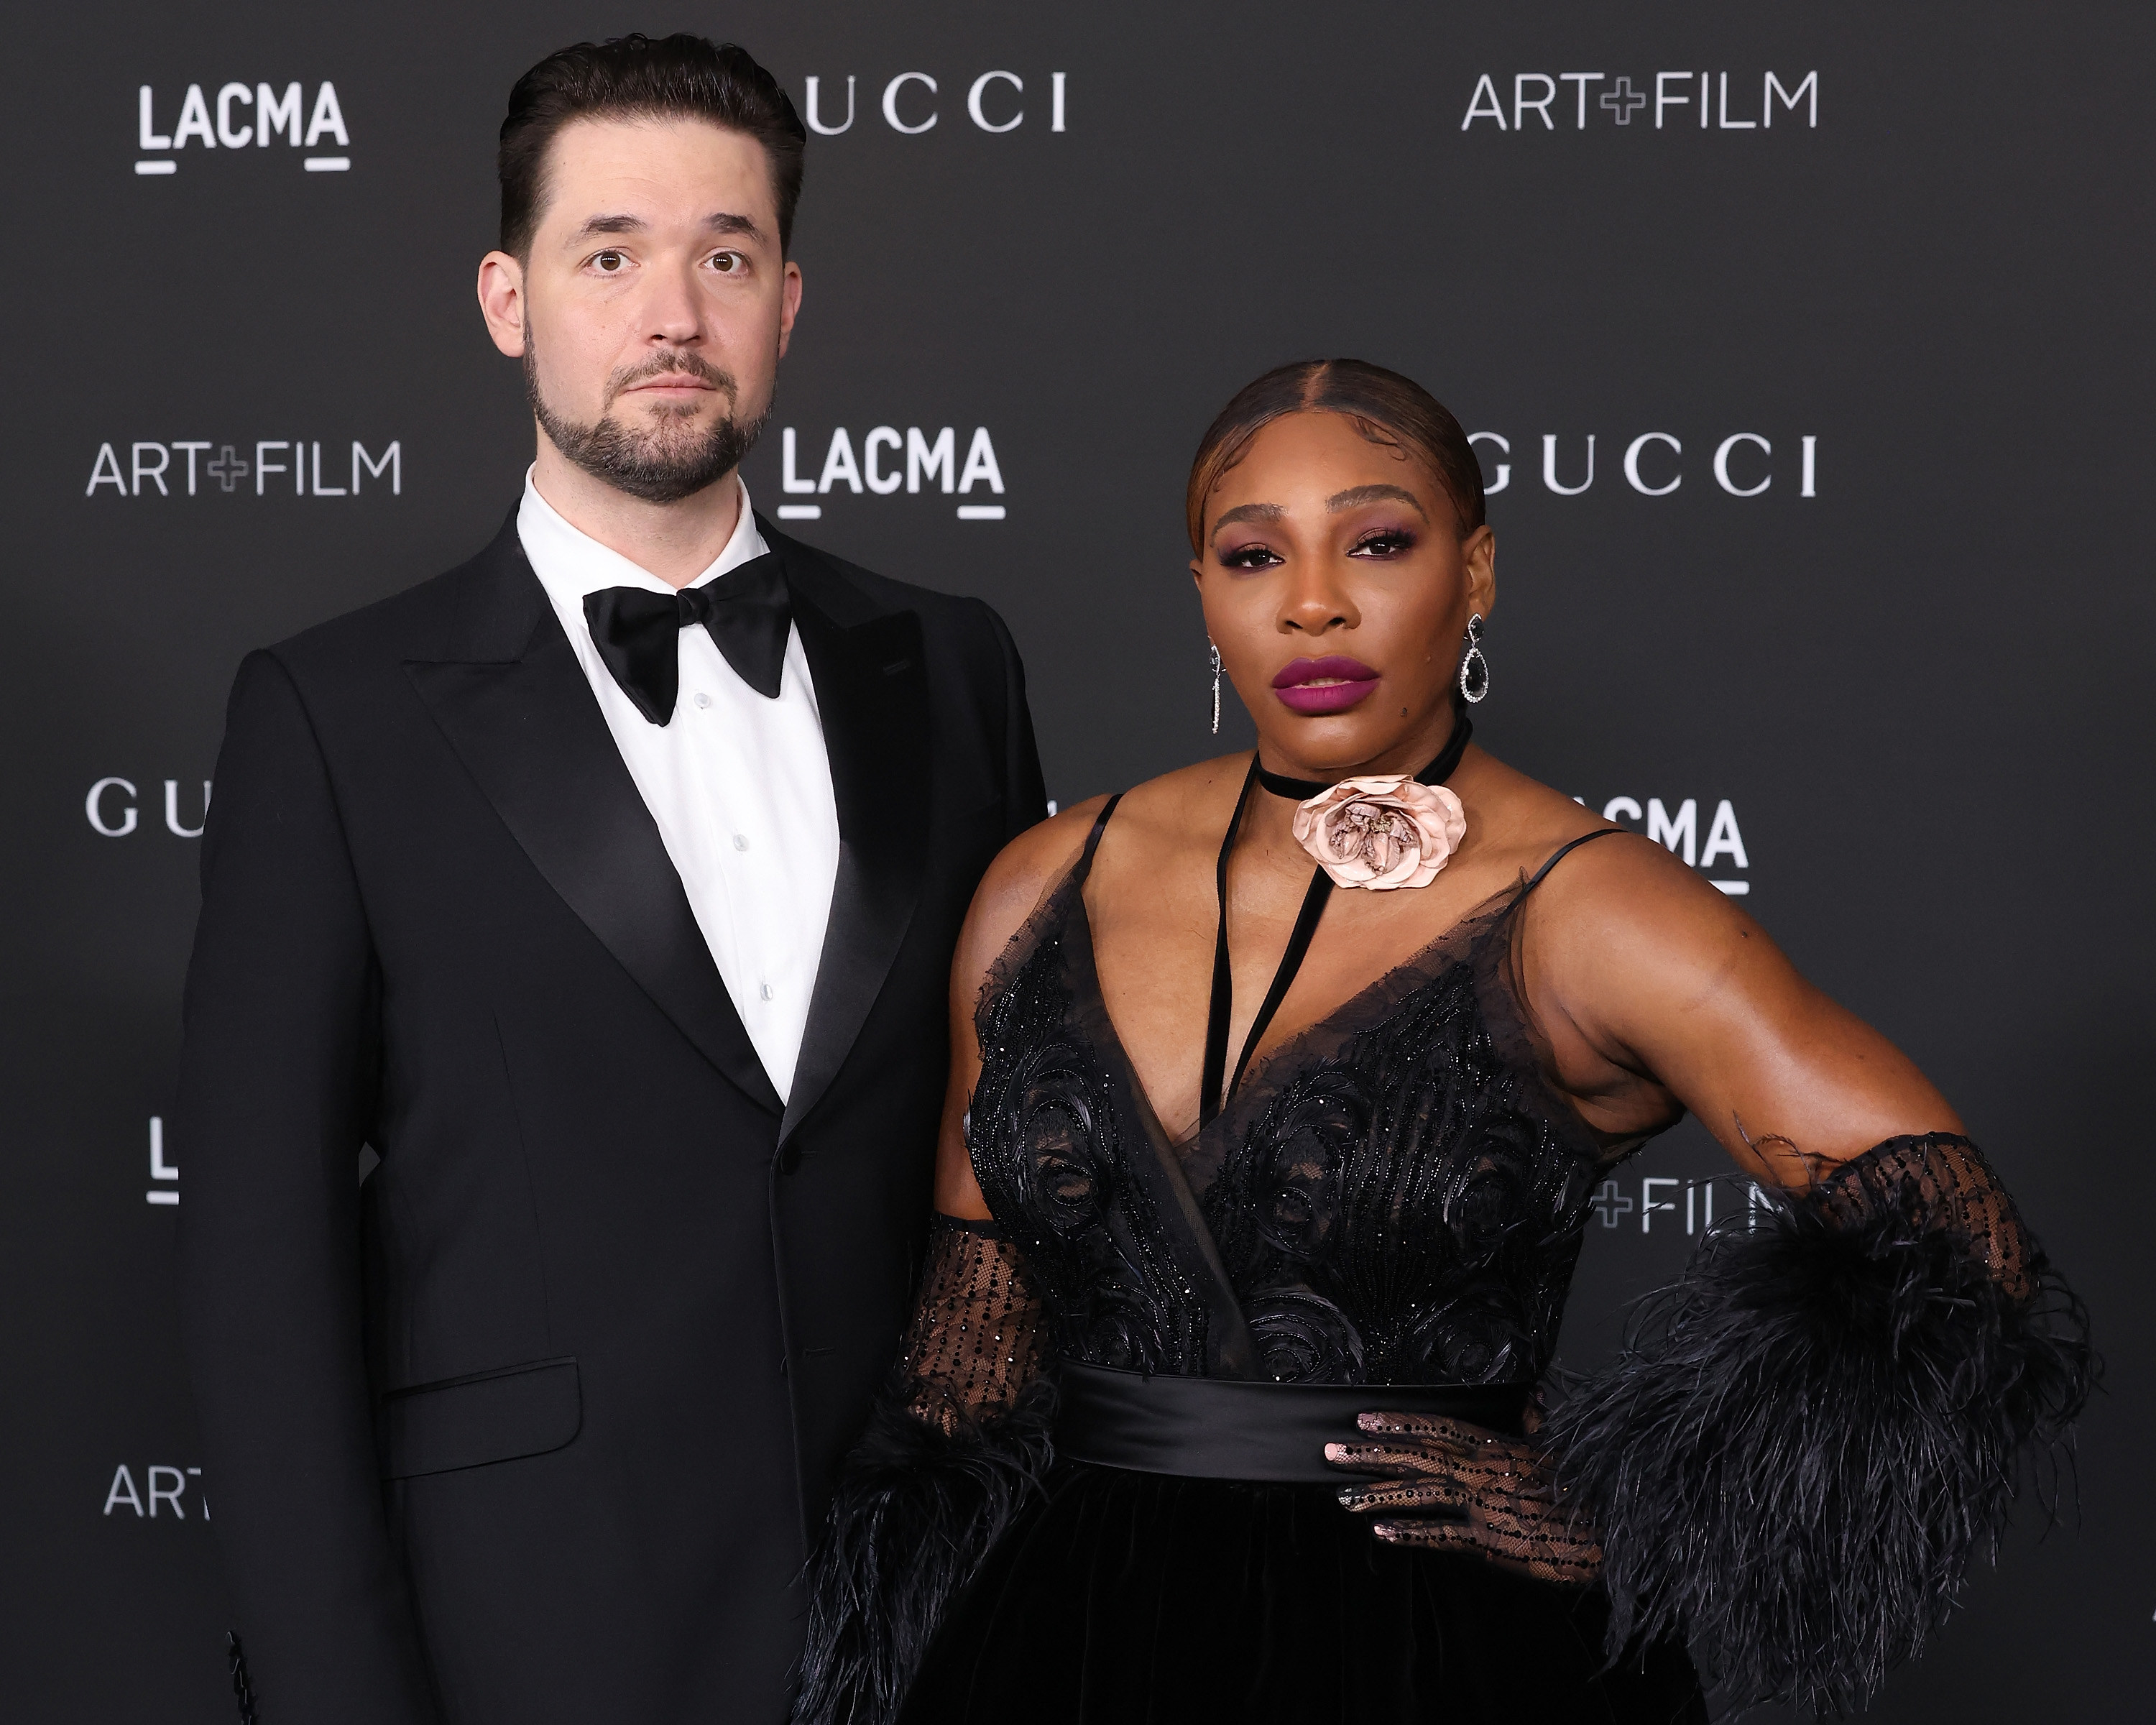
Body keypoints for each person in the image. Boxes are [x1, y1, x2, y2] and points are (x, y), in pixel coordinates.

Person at [794, 359, 2092, 1724]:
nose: (1314, 601)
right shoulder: (1044, 881)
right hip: (1064, 1641)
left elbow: (1964, 1251)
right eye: (1255, 554)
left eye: (1378, 542)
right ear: (1201, 592)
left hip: (1440, 1649)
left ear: (1473, 572)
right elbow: (965, 1364)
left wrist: (1635, 1508)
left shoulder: (1590, 906)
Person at [174, 34, 1044, 1725]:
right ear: (508, 299)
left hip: (936, 1626)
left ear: (789, 300)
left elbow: (1018, 1140)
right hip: (530, 1627)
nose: (675, 311)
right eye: (611, 252)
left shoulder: (953, 665)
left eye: (726, 255)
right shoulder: (333, 713)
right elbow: (257, 1273)